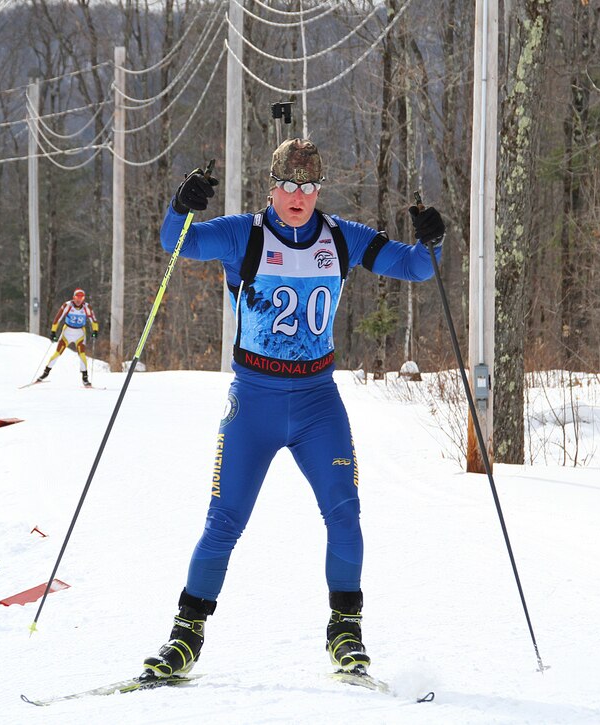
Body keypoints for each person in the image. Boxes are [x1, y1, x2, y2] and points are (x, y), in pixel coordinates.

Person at [140, 139, 446, 680]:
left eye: (308, 186)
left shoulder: (341, 238)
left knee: (344, 512)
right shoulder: (244, 234)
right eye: (288, 184)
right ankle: (185, 635)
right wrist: (182, 204)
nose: (298, 196)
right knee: (224, 521)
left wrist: (434, 239)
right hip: (254, 402)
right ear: (273, 185)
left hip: (316, 404)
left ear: (319, 189)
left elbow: (418, 269)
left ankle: (345, 632)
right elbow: (175, 242)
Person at [34, 288, 99, 387]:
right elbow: (57, 318)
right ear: (73, 297)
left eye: (81, 298)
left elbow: (93, 320)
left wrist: (95, 331)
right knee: (57, 353)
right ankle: (44, 374)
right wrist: (53, 332)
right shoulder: (67, 305)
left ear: (84, 299)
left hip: (80, 333)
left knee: (82, 355)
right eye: (77, 298)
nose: (78, 300)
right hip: (67, 333)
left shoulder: (87, 307)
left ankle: (85, 379)